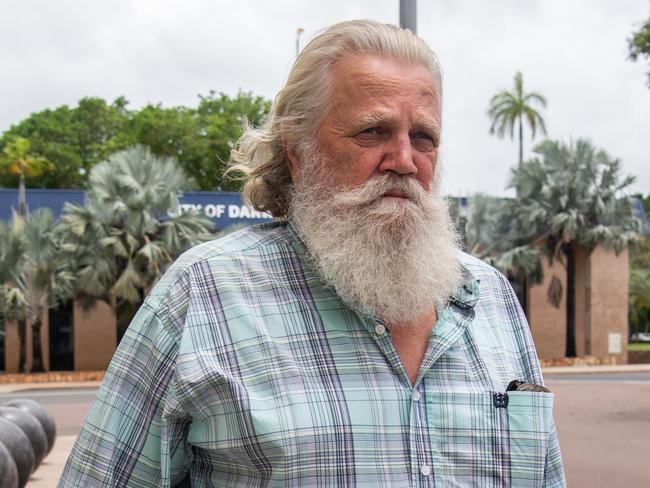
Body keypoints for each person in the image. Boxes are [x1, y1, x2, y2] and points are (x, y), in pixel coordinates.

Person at [59, 20, 565, 487]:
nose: (405, 160)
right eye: (373, 131)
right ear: (298, 154)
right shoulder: (204, 294)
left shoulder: (491, 297)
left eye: (424, 137)